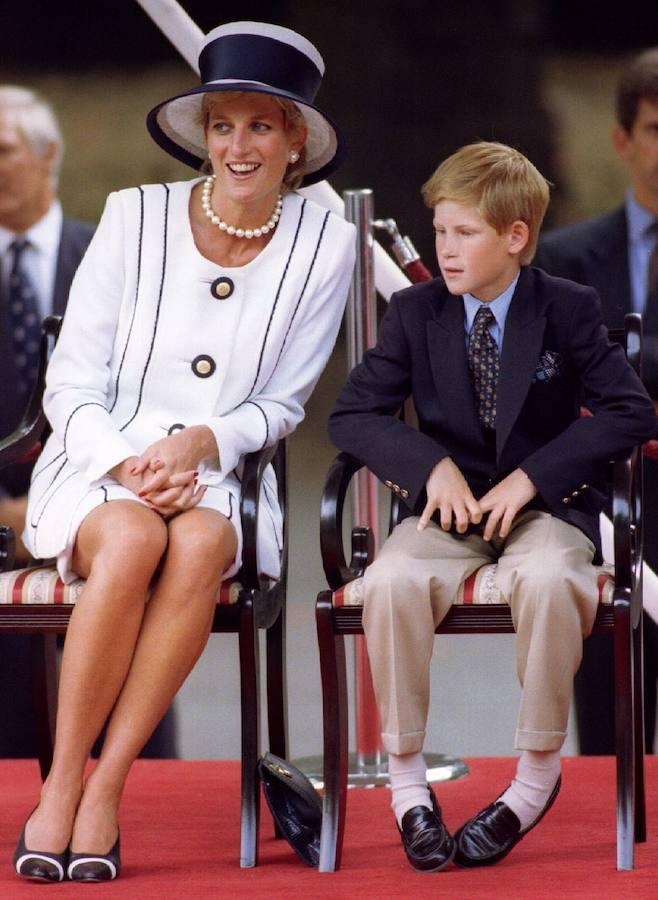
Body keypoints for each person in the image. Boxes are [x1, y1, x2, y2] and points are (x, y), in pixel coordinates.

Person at [13, 21, 355, 884]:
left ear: (295, 141)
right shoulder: (133, 215)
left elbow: (283, 403)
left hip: (222, 473)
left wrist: (204, 442)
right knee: (132, 538)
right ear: (203, 136)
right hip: (98, 461)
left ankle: (105, 790)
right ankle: (61, 785)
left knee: (200, 544)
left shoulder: (328, 244)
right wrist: (126, 464)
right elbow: (70, 382)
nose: (238, 147)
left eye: (260, 126)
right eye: (222, 126)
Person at [329, 141, 656, 872]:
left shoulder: (567, 307)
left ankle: (534, 778)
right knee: (390, 580)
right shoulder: (415, 311)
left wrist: (532, 477)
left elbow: (629, 411)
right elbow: (352, 416)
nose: (445, 249)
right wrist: (430, 466)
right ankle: (408, 786)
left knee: (551, 579)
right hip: (446, 515)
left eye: (464, 233)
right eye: (439, 231)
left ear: (515, 236)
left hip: (547, 510)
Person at [534, 46, 658, 756]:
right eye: (656, 130)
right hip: (602, 514)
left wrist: (613, 368)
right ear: (623, 139)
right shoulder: (564, 259)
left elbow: (598, 370)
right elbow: (555, 381)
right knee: (610, 742)